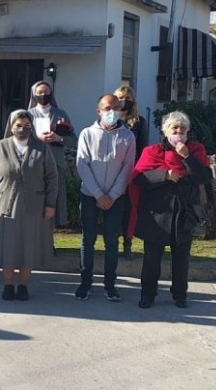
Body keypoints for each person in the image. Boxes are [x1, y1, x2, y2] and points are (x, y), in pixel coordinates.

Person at [129, 111, 211, 309]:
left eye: (182, 128)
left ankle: (180, 295)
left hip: (184, 213)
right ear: (166, 131)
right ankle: (147, 295)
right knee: (151, 260)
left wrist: (187, 157)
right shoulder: (152, 151)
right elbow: (139, 178)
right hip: (157, 214)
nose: (179, 132)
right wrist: (164, 175)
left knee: (181, 260)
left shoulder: (196, 150)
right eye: (175, 128)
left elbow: (204, 176)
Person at [0, 110, 58, 301]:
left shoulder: (41, 148)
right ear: (11, 126)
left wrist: (50, 204)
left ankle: (23, 286)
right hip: (4, 206)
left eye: (26, 126)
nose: (22, 129)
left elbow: (52, 177)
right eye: (18, 125)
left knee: (27, 247)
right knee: (8, 248)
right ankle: (8, 285)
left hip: (33, 207)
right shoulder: (0, 147)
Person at [75, 94, 136, 301]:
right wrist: (99, 195)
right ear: (98, 111)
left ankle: (110, 285)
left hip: (115, 197)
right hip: (90, 195)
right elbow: (82, 165)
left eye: (116, 108)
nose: (112, 112)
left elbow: (128, 168)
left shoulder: (128, 136)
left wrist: (112, 195)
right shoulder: (87, 134)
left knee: (112, 241)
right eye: (107, 108)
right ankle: (85, 283)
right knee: (88, 240)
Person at [27, 81, 77, 228]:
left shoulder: (61, 114)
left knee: (53, 201)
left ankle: (49, 240)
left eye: (46, 92)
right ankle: (35, 238)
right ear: (34, 95)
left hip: (56, 163)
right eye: (40, 92)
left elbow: (73, 140)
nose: (43, 95)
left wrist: (59, 138)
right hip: (33, 163)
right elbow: (18, 139)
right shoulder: (28, 115)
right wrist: (37, 139)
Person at [113, 85, 149, 260]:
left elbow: (143, 149)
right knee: (113, 207)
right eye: (120, 97)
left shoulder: (139, 122)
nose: (124, 101)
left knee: (129, 209)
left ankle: (127, 245)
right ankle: (110, 243)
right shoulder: (110, 120)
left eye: (127, 98)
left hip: (131, 171)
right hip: (111, 171)